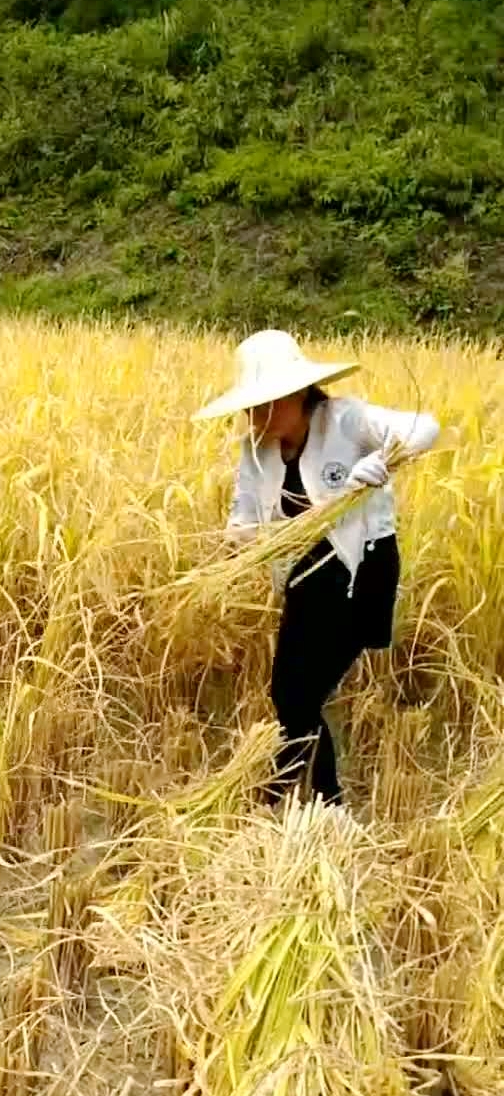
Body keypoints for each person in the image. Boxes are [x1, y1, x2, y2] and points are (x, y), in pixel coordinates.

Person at [194, 330, 440, 807]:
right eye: (252, 407)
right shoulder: (256, 451)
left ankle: (325, 802)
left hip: (359, 570)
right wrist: (235, 545)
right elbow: (243, 517)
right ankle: (290, 787)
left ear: (299, 394)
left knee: (300, 698)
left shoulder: (345, 421)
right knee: (287, 691)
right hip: (303, 575)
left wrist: (381, 461)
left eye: (266, 404)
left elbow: (424, 427)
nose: (256, 416)